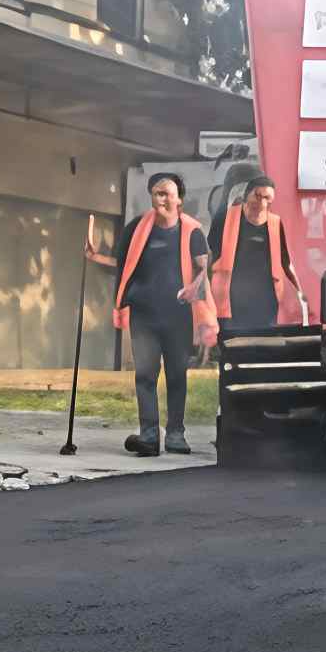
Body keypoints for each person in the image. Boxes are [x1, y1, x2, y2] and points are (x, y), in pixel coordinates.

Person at [85, 172, 216, 456]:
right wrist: (95, 257)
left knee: (176, 374)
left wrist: (195, 289)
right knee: (145, 373)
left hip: (177, 314)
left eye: (168, 193)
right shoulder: (137, 228)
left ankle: (176, 434)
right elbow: (124, 264)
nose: (162, 199)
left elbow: (204, 269)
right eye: (158, 193)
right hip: (143, 313)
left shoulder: (191, 231)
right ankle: (148, 435)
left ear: (179, 199)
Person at [209, 176, 305, 333]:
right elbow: (210, 256)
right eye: (257, 195)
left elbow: (286, 263)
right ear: (246, 195)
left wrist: (301, 294)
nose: (261, 202)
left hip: (267, 300)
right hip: (232, 299)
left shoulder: (275, 223)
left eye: (267, 198)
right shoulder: (224, 219)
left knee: (263, 345)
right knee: (233, 346)